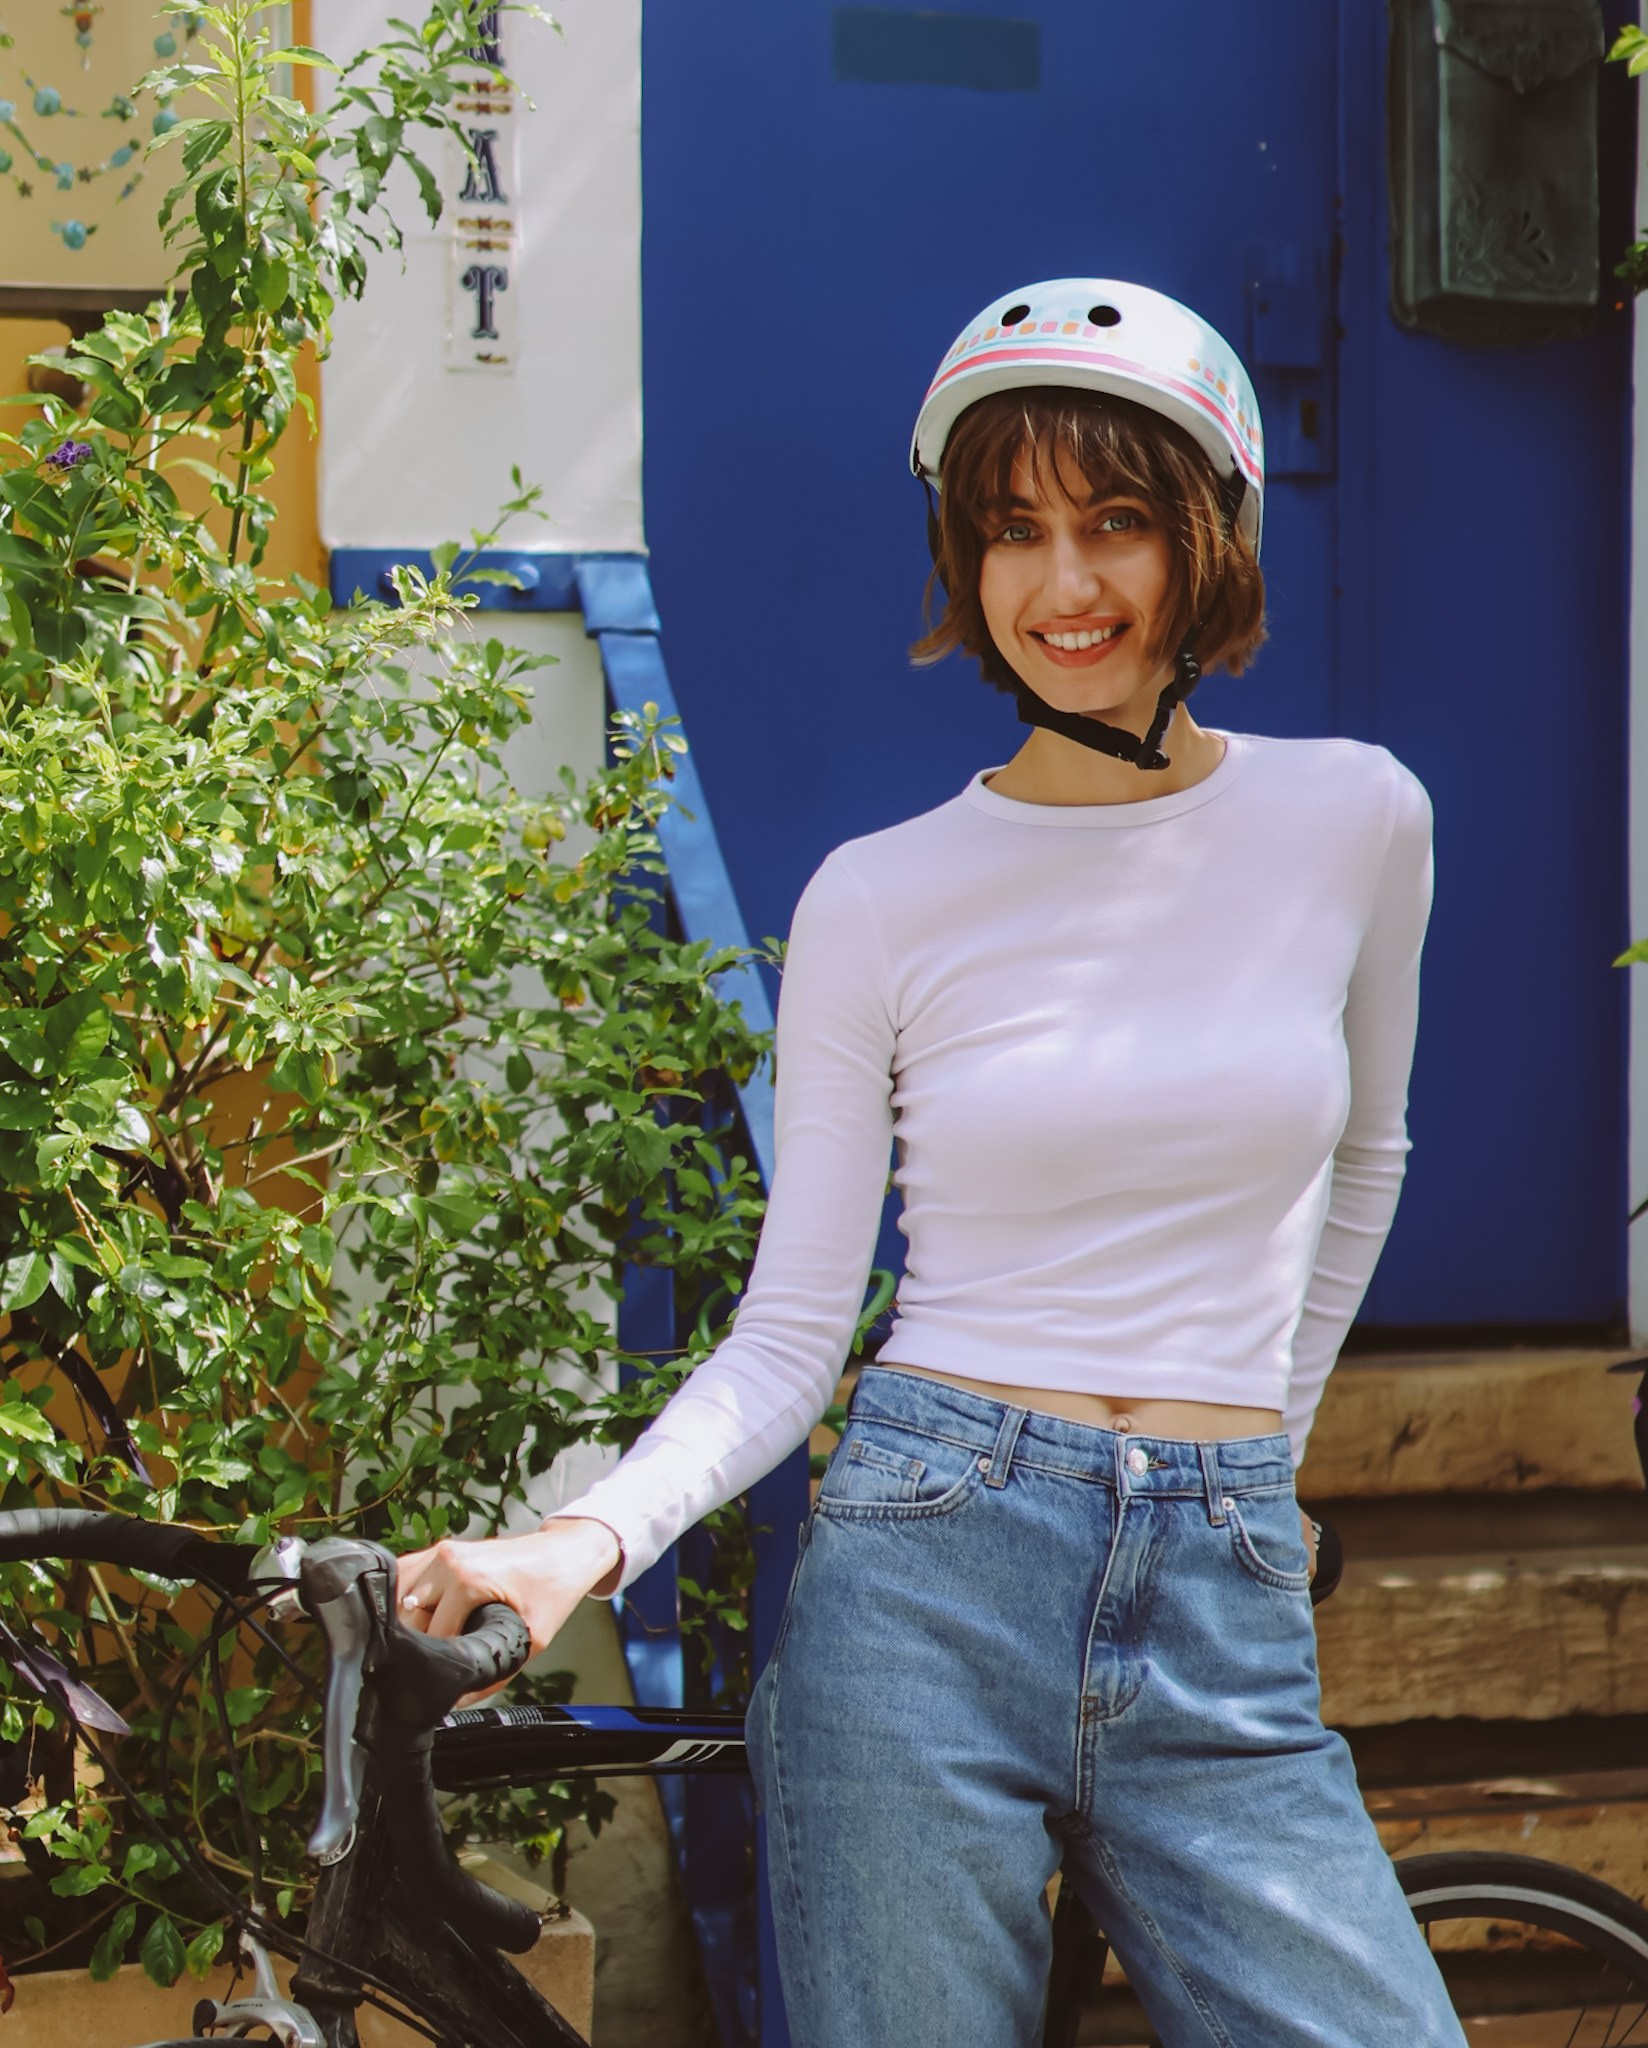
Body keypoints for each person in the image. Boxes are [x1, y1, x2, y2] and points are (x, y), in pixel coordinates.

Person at [397, 278, 1464, 2048]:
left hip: (1221, 1595)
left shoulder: (1357, 818)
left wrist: (1255, 1460)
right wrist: (580, 1541)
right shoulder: (881, 898)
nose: (1066, 586)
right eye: (1013, 533)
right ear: (965, 568)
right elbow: (791, 1333)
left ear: (1211, 540)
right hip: (927, 1579)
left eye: (1117, 523)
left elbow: (1368, 1161)